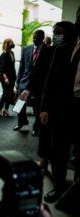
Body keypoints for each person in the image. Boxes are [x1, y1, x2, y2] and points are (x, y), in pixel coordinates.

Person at [40, 7, 80, 203]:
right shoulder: (62, 49)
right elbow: (51, 81)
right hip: (62, 108)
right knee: (59, 151)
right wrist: (45, 107)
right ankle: (59, 185)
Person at [27, 22, 76, 175]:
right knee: (45, 131)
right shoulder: (48, 51)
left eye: (59, 32)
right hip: (44, 97)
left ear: (68, 33)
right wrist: (28, 90)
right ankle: (43, 160)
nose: (55, 35)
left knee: (60, 138)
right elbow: (36, 73)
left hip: (63, 100)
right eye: (54, 32)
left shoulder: (72, 51)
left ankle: (58, 167)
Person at [14, 30, 45, 134]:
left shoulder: (48, 50)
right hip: (24, 82)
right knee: (19, 104)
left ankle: (36, 127)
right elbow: (21, 67)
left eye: (38, 37)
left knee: (37, 107)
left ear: (43, 38)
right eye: (34, 37)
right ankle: (21, 122)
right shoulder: (27, 49)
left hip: (39, 83)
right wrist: (17, 82)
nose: (35, 39)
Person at [0, 38, 16, 117]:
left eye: (12, 42)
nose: (12, 43)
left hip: (12, 77)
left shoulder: (12, 53)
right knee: (5, 93)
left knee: (10, 94)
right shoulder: (4, 54)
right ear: (7, 44)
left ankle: (6, 109)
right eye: (11, 42)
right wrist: (5, 78)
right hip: (6, 78)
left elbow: (12, 66)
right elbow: (2, 68)